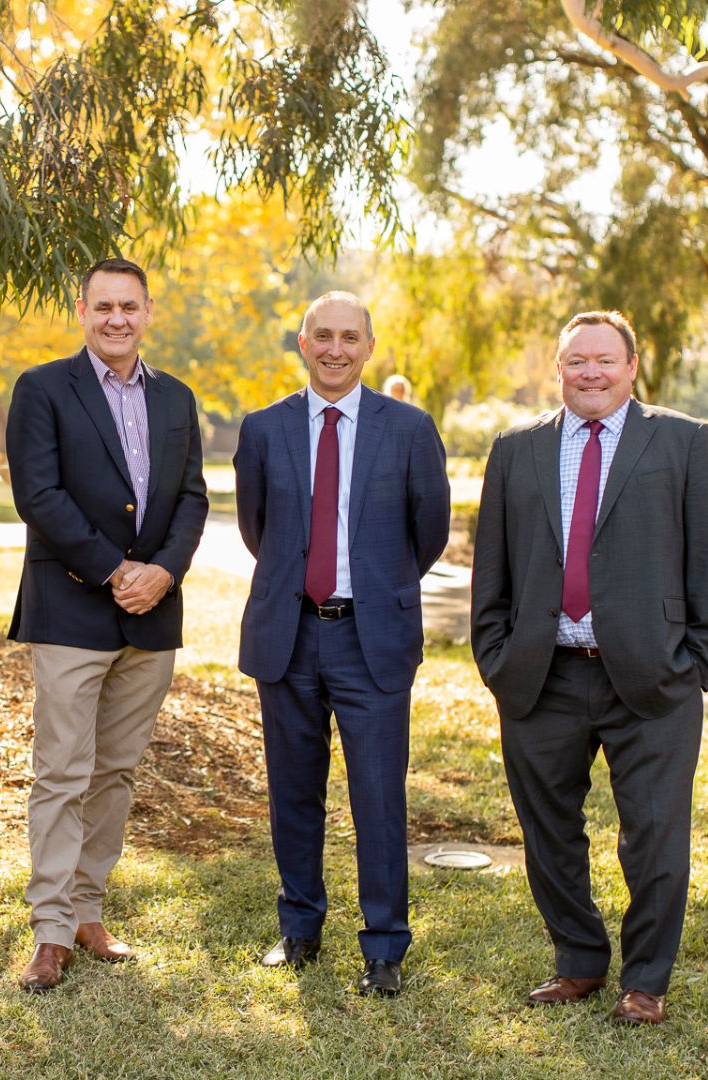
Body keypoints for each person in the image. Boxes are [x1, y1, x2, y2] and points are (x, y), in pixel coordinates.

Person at [469, 310, 708, 1024]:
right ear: (557, 369)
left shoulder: (684, 441)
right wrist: (497, 657)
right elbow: (489, 567)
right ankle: (579, 962)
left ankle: (645, 981)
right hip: (541, 676)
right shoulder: (515, 450)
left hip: (652, 678)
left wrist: (697, 664)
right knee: (548, 830)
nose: (590, 372)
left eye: (604, 360)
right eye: (576, 361)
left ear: (631, 365)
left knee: (653, 833)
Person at [233, 292, 450, 996]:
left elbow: (428, 534)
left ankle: (384, 946)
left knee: (378, 796)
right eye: (322, 335)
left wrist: (374, 588)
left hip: (372, 637)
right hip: (287, 634)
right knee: (294, 791)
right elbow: (257, 529)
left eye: (349, 337)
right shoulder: (264, 430)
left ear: (368, 346)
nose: (335, 348)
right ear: (302, 342)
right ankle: (299, 927)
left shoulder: (410, 430)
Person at [5, 257, 208, 991]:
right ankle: (51, 930)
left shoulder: (179, 398)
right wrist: (116, 570)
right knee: (62, 771)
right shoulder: (42, 389)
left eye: (130, 306)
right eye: (103, 307)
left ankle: (89, 909)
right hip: (70, 608)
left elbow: (192, 498)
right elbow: (39, 494)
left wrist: (164, 572)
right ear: (81, 312)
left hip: (152, 616)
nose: (117, 318)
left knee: (115, 772)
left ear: (148, 311)